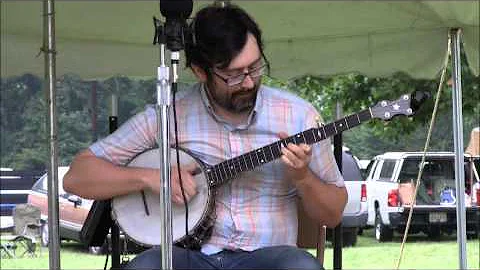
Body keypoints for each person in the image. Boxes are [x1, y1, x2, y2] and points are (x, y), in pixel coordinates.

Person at [64, 4, 347, 269]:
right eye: (234, 75)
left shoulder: (299, 117)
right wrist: (154, 178)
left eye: (255, 67)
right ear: (200, 71)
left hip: (269, 257)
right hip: (190, 257)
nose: (249, 82)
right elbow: (77, 177)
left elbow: (332, 215)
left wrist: (302, 177)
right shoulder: (169, 116)